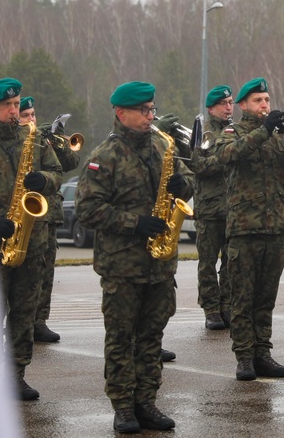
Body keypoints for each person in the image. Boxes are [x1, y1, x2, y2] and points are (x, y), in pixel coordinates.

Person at [75, 81, 194, 434]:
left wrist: (183, 185)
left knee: (152, 337)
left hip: (159, 265)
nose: (150, 116)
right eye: (143, 110)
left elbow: (186, 177)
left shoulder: (162, 145)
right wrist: (135, 222)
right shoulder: (104, 156)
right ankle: (123, 406)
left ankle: (147, 402)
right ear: (120, 112)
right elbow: (87, 209)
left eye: (152, 109)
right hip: (123, 266)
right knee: (121, 337)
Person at [0, 78, 63, 401]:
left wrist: (43, 180)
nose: (13, 110)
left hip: (30, 240)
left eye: (16, 104)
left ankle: (16, 374)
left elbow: (57, 173)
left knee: (24, 311)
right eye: (7, 105)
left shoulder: (33, 138)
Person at [214, 77, 284, 381]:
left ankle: (263, 354)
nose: (265, 106)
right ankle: (244, 358)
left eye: (267, 100)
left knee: (265, 299)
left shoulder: (280, 135)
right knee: (243, 299)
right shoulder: (233, 132)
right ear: (243, 105)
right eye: (258, 101)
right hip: (245, 230)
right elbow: (227, 156)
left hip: (275, 229)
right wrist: (264, 130)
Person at [16, 97, 82, 344]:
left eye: (33, 114)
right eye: (26, 115)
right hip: (17, 215)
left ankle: (39, 322)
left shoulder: (43, 140)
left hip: (47, 215)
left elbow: (70, 164)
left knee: (45, 272)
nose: (31, 119)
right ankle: (15, 321)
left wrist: (58, 138)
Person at [188, 85, 235, 330]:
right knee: (207, 263)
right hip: (209, 210)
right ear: (211, 108)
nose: (229, 107)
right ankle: (211, 310)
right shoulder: (202, 131)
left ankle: (226, 306)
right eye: (224, 103)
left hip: (233, 209)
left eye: (230, 102)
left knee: (230, 263)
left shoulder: (234, 131)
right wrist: (227, 156)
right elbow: (198, 165)